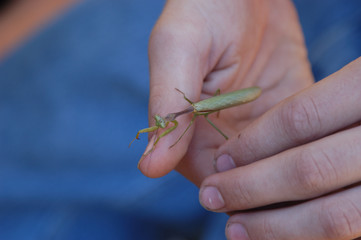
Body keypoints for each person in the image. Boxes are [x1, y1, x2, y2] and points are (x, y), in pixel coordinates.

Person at [139, 0, 361, 239]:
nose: (165, 120)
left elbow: (180, 128)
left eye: (166, 119)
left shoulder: (190, 112)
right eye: (167, 119)